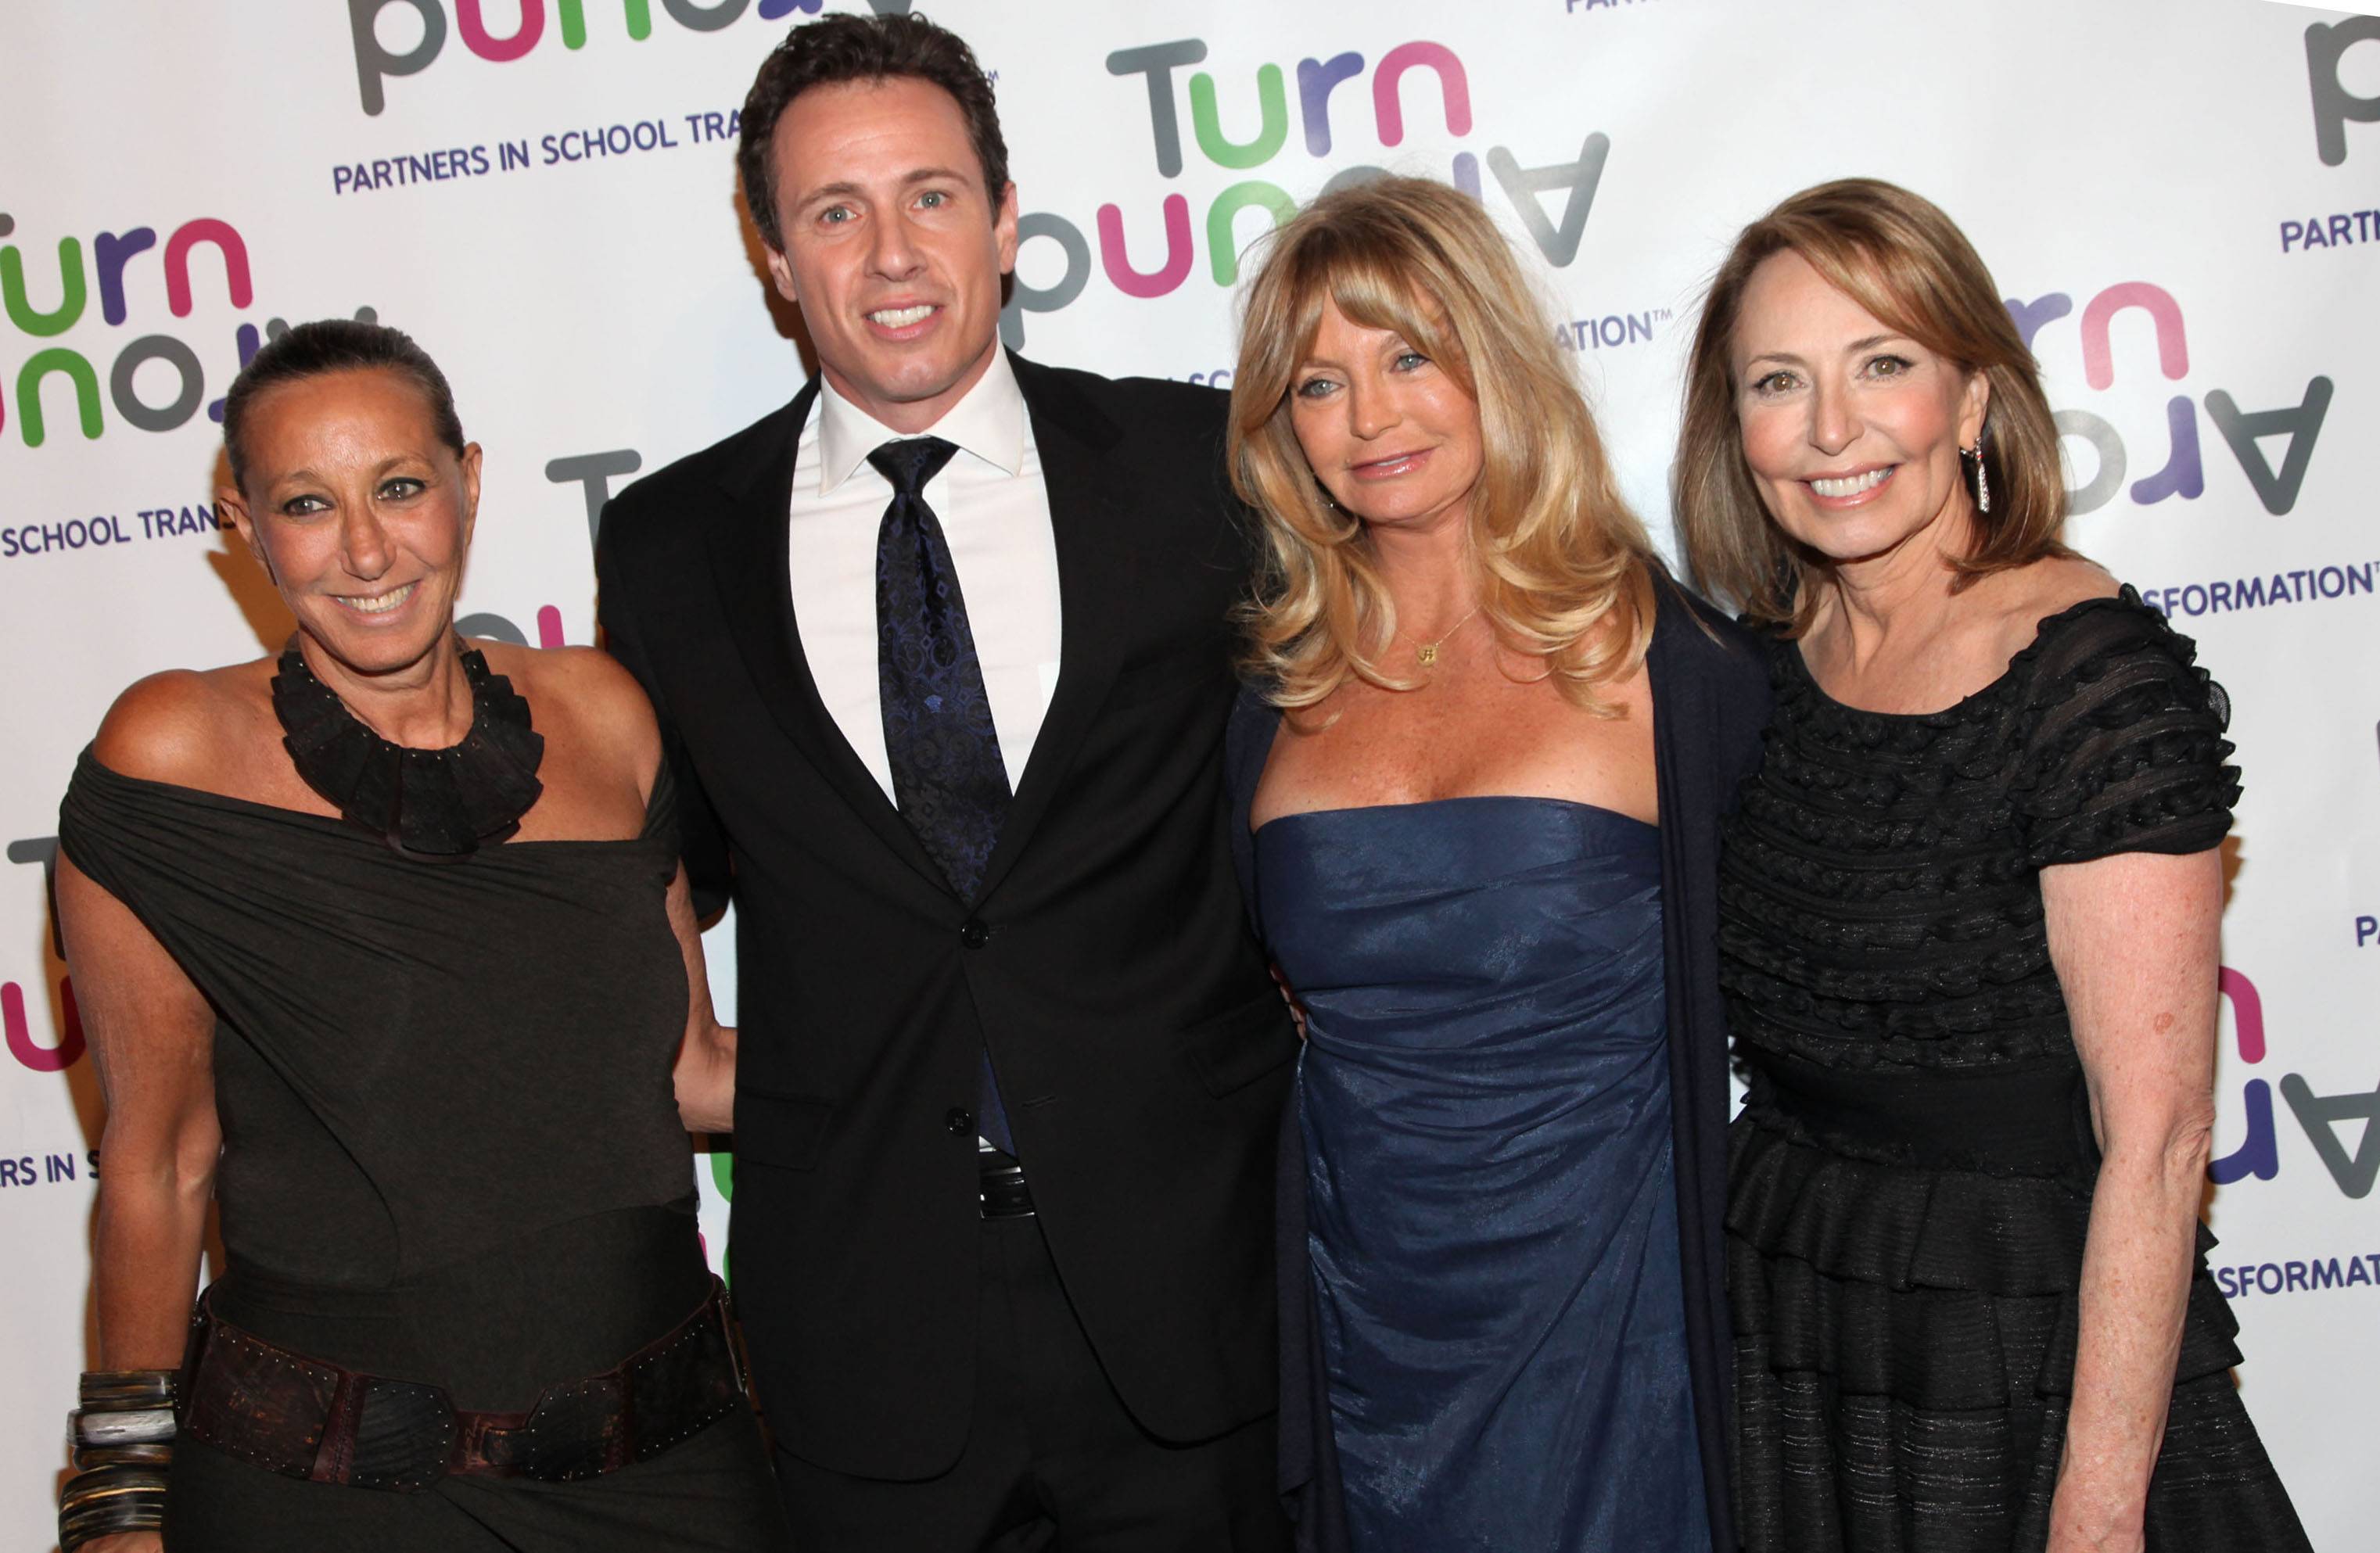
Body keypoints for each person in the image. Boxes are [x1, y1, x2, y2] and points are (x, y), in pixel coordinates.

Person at [594, 13, 1298, 1548]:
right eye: (833, 211)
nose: (892, 252)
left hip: (1196, 1299)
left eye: (931, 194)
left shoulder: (1203, 467)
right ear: (774, 256)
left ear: (1004, 218)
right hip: (863, 1334)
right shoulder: (669, 549)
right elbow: (653, 900)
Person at [50, 320, 790, 1553]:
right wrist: (120, 1504)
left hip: (673, 1465)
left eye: (399, 487)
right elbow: (160, 1160)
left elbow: (690, 1068)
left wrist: (950, 1056)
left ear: (469, 482)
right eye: (307, 503)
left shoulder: (603, 717)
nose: (366, 549)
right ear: (245, 526)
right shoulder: (173, 757)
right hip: (332, 1499)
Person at [1675, 178, 2310, 1553]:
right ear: (1736, 427)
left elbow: (2158, 1144)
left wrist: (2098, 1510)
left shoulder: (2086, 679)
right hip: (1791, 1325)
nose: (1831, 428)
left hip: (2026, 1357)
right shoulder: (1753, 670)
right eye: (1780, 381)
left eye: (1882, 364)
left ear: (1971, 400)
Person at [1220, 174, 1768, 1551]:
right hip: (1366, 1336)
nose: (1370, 417)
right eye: (1320, 384)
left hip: (1622, 1334)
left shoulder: (1673, 665)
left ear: (1495, 361)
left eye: (1411, 356)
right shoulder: (1270, 694)